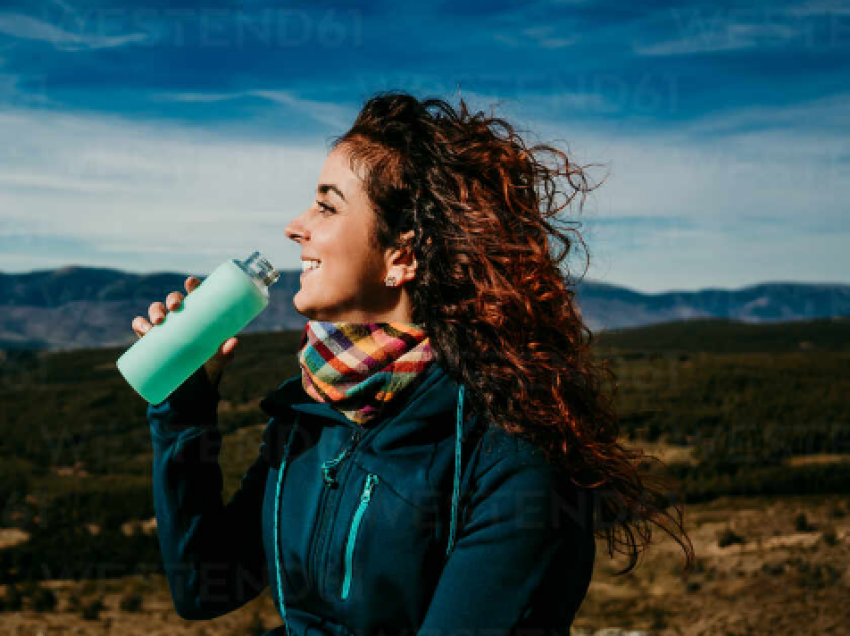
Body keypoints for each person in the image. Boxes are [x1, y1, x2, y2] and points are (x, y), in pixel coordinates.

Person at [133, 91, 695, 636]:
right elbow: (208, 588)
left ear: (402, 255)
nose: (294, 226)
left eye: (327, 205)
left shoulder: (510, 448)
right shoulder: (311, 405)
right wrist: (185, 406)